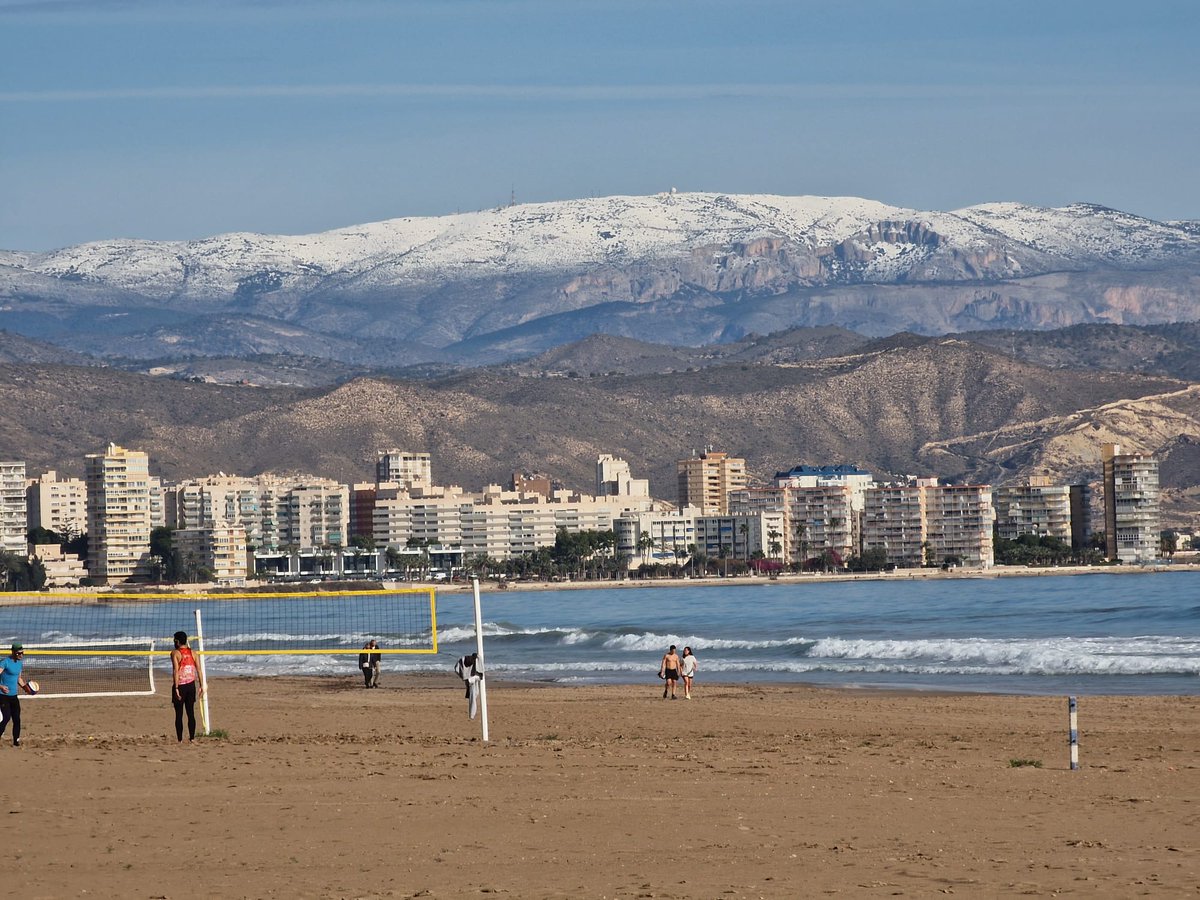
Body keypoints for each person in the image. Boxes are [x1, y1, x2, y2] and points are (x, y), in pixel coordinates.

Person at [170, 631, 204, 743]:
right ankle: (192, 738)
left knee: (179, 714)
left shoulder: (175, 653)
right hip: (191, 686)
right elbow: (199, 670)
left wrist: (176, 688)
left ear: (178, 641)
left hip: (181, 686)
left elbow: (176, 671)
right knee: (190, 713)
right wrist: (201, 685)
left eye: (175, 640)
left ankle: (180, 739)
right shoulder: (193, 653)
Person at [0, 642, 31, 747]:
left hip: (14, 696)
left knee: (17, 719)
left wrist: (26, 688)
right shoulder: (5, 662)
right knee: (6, 718)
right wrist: (1, 686)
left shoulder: (19, 663)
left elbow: (19, 679)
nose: (21, 655)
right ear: (13, 652)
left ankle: (16, 741)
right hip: (3, 695)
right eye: (19, 653)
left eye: (22, 653)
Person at [453, 652, 483, 719]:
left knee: (473, 695)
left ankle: (472, 714)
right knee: (473, 695)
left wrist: (464, 676)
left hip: (470, 678)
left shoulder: (462, 660)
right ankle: (472, 714)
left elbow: (456, 669)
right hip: (472, 678)